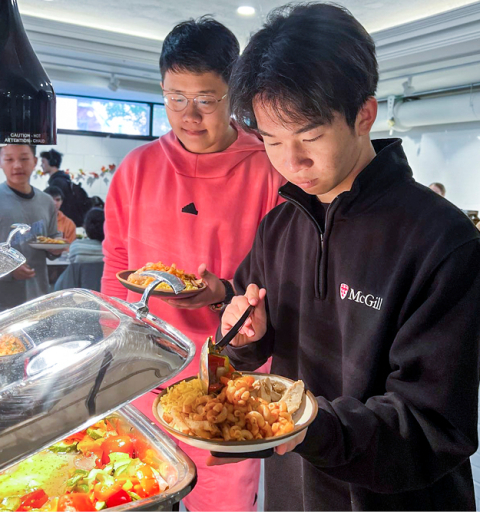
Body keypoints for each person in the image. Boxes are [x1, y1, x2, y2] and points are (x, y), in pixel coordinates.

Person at [211, 4, 480, 511]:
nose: (292, 162)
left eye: (310, 137)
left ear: (364, 114)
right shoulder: (279, 225)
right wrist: (244, 335)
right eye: (272, 140)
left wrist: (308, 427)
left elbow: (434, 425)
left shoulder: (440, 239)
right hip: (295, 490)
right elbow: (244, 339)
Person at [101, 16, 285, 512]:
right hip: (145, 367)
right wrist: (113, 340)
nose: (189, 115)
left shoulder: (270, 168)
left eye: (205, 99)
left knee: (222, 502)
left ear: (236, 95)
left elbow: (283, 275)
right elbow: (117, 262)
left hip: (230, 374)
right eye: (175, 97)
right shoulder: (136, 169)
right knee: (139, 491)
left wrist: (224, 291)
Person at [0, 145, 59, 311]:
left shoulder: (47, 201)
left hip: (38, 297)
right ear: (0, 162)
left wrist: (58, 248)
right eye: (9, 159)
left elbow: (53, 239)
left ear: (34, 162)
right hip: (4, 302)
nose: (17, 165)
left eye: (24, 158)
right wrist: (10, 269)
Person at [41, 148, 91, 226]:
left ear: (52, 162)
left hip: (63, 225)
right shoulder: (63, 180)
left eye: (43, 162)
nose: (41, 165)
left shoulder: (57, 182)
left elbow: (56, 208)